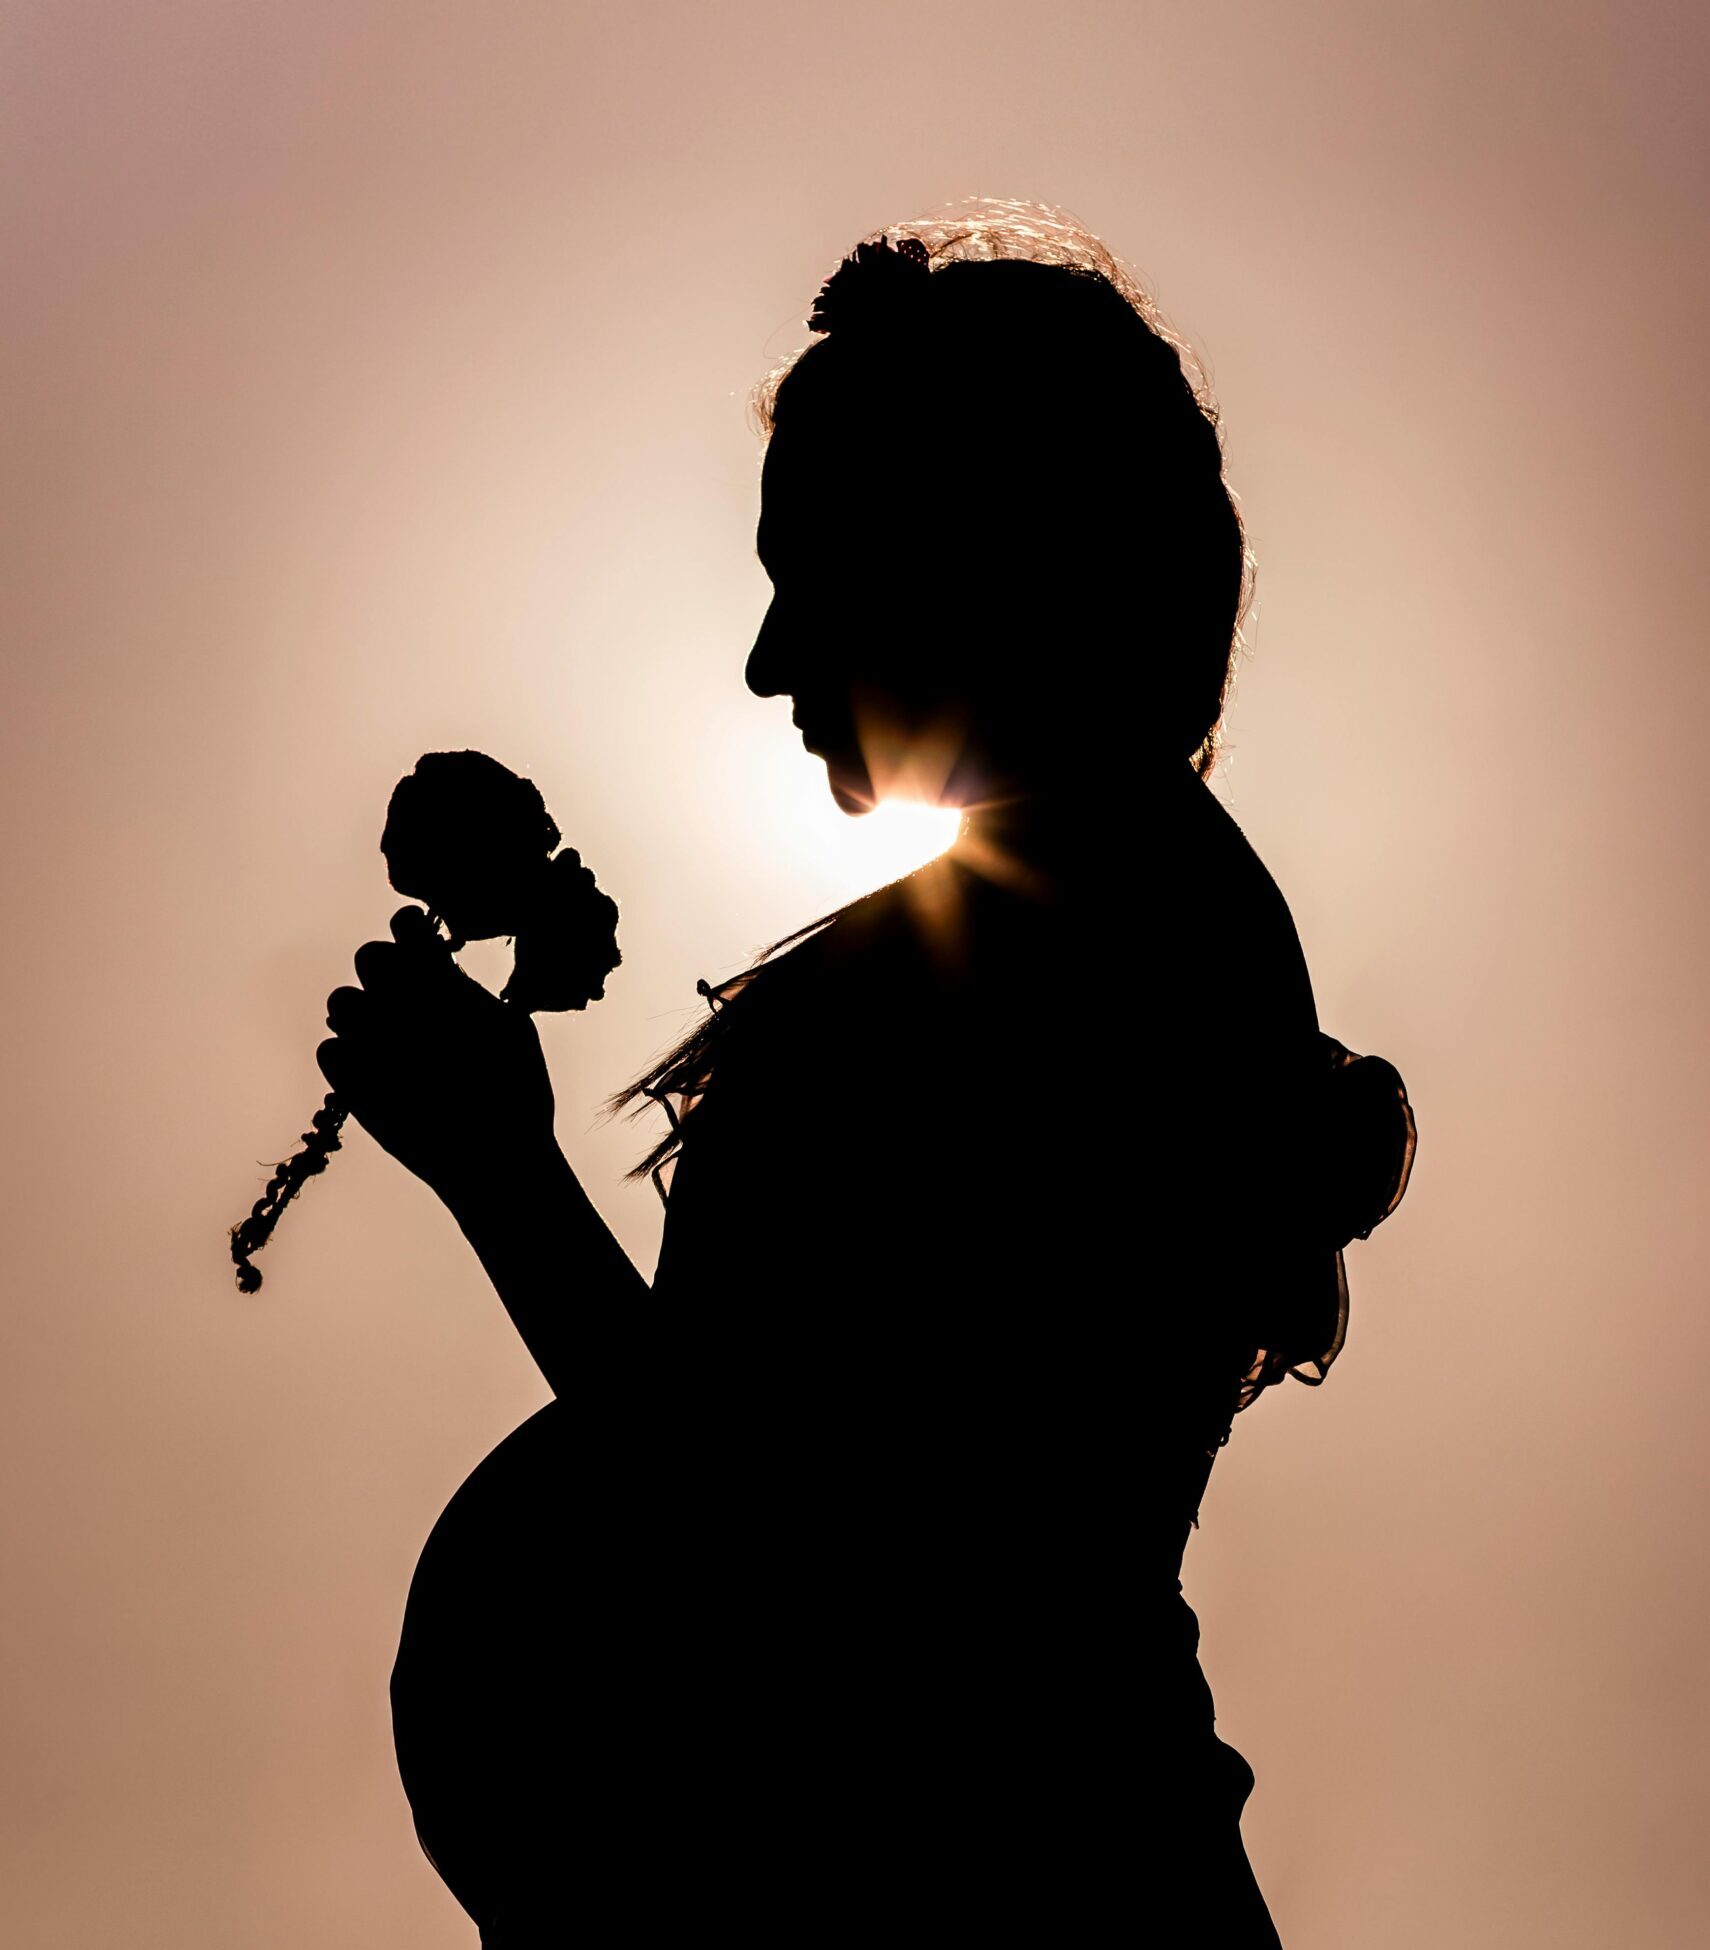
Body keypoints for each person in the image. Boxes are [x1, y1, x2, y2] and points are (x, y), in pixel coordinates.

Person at [318, 200, 1415, 1946]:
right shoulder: (1139, 909)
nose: (768, 659)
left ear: (973, 559)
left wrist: (498, 1169)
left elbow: (778, 1530)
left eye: (806, 578)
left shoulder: (1058, 950)